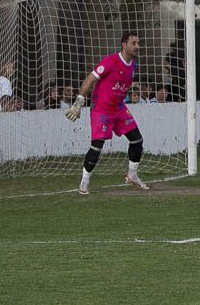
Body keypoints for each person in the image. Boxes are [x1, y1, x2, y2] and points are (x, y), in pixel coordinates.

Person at [64, 31, 151, 194]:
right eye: (134, 43)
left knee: (137, 140)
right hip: (101, 109)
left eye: (138, 43)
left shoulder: (133, 65)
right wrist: (79, 102)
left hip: (118, 108)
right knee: (97, 146)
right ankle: (84, 182)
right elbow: (89, 80)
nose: (137, 46)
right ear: (124, 45)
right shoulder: (110, 62)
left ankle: (132, 175)